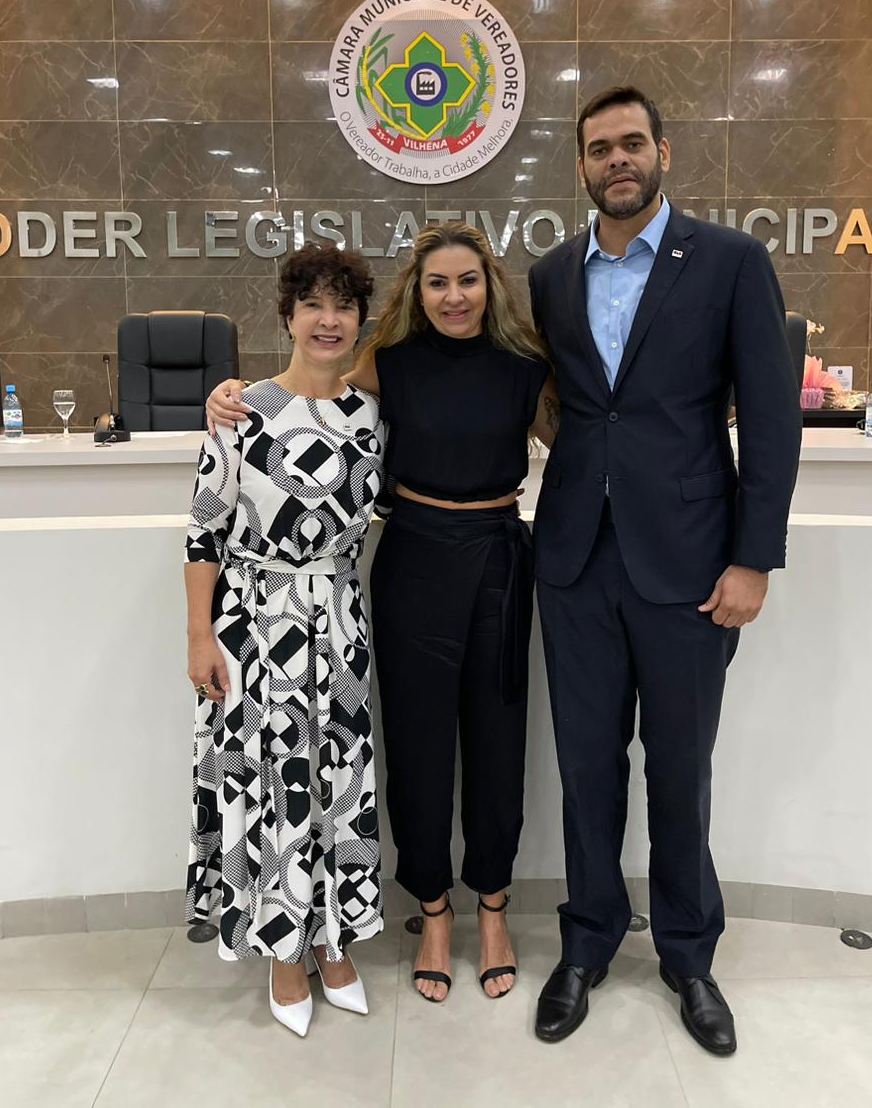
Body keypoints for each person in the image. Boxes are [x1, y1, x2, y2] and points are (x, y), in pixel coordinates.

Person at [207, 222, 558, 1004]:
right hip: (416, 560)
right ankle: (433, 911)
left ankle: (492, 910)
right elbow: (311, 387)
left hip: (499, 561)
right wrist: (231, 395)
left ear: (490, 285)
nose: (454, 296)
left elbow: (580, 437)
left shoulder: (526, 366)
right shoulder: (387, 363)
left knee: (499, 745)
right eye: (438, 282)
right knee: (420, 746)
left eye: (467, 280)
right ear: (416, 292)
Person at [529, 87, 801, 1053]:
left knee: (681, 769)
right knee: (585, 766)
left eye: (632, 143)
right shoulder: (550, 274)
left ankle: (689, 955)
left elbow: (770, 417)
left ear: (663, 153)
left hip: (690, 566)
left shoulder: (729, 261)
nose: (618, 159)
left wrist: (754, 559)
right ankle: (589, 941)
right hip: (573, 561)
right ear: (580, 165)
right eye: (600, 147)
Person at [185, 243, 385, 1039]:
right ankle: (281, 947)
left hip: (339, 619)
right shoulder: (243, 410)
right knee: (273, 781)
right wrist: (199, 637)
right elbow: (203, 531)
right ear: (288, 316)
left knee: (339, 780)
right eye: (313, 305)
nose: (328, 320)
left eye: (343, 305)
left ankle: (333, 938)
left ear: (360, 319)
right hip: (253, 623)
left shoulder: (372, 417)